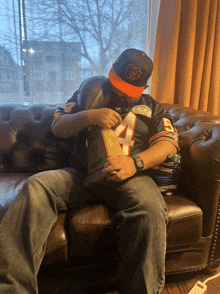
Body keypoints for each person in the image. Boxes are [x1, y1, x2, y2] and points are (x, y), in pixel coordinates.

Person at [0, 48, 179, 294]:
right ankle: (12, 289)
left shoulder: (153, 107)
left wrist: (135, 163)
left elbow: (168, 144)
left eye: (128, 91)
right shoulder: (90, 91)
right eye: (117, 83)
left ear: (144, 87)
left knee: (150, 207)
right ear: (111, 72)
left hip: (128, 177)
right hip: (79, 175)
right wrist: (88, 116)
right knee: (36, 186)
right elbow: (57, 126)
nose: (118, 92)